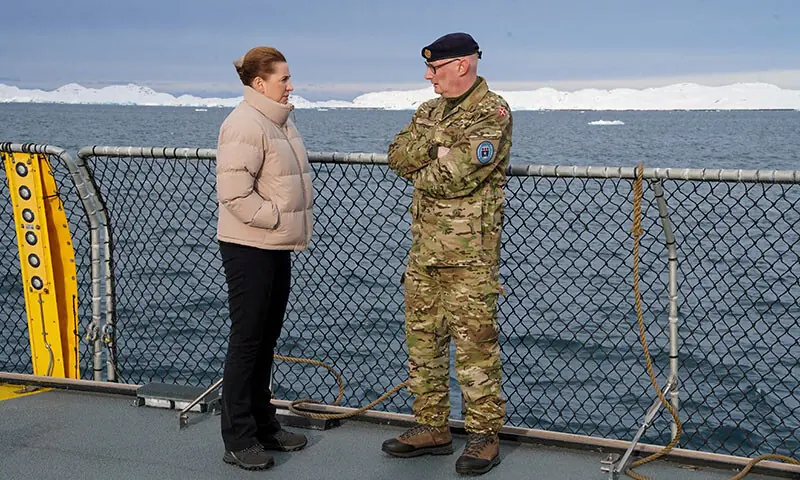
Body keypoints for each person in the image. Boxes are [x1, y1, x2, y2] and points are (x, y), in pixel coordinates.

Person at [382, 32, 513, 476]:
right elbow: (396, 154)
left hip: (469, 257)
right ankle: (431, 426)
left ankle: (483, 436)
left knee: (475, 349)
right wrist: (433, 152)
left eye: (435, 68)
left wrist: (429, 161)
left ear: (463, 65)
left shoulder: (491, 113)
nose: (428, 75)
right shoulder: (429, 111)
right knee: (423, 345)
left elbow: (456, 176)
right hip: (424, 253)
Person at [215, 46, 313, 471]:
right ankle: (238, 438)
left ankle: (262, 424)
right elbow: (234, 193)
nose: (290, 85)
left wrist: (280, 226)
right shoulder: (244, 124)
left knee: (266, 339)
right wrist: (274, 219)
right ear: (260, 83)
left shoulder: (277, 121)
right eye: (283, 79)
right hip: (251, 246)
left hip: (273, 244)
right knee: (248, 340)